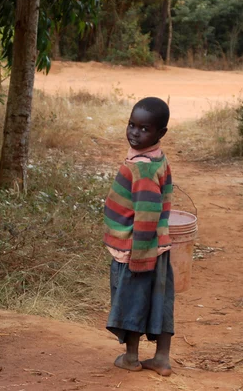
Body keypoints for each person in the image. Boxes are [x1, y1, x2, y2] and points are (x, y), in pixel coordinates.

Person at [103, 97, 174, 377]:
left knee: (131, 301)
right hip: (157, 247)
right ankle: (162, 359)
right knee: (160, 301)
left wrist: (140, 258)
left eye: (144, 129)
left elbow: (146, 213)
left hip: (137, 249)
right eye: (132, 125)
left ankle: (131, 357)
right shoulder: (156, 158)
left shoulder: (142, 168)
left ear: (160, 133)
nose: (134, 132)